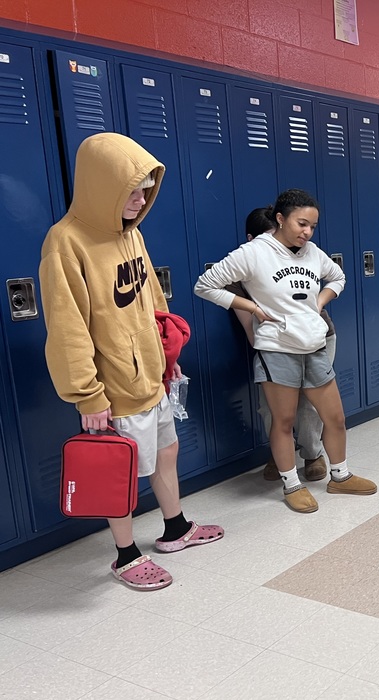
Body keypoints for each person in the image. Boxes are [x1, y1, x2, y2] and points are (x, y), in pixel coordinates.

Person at [40, 132, 224, 591]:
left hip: (151, 378)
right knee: (117, 473)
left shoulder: (131, 234)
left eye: (146, 188)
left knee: (167, 452)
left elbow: (151, 302)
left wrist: (168, 357)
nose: (141, 199)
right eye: (131, 189)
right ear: (102, 185)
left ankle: (176, 527)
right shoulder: (65, 242)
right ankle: (124, 556)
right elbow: (67, 329)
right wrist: (87, 395)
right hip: (112, 389)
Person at [195, 189, 376, 513]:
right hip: (277, 349)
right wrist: (249, 305)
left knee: (334, 417)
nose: (307, 232)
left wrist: (319, 303)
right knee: (284, 420)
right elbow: (205, 285)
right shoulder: (253, 253)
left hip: (314, 346)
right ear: (280, 219)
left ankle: (340, 475)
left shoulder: (312, 252)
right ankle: (291, 484)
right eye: (301, 224)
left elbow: (337, 275)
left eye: (312, 226)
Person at [228, 206, 335, 484]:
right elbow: (253, 334)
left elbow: (333, 278)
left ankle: (313, 455)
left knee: (310, 404)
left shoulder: (300, 255)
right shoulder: (241, 272)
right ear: (252, 240)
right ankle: (280, 455)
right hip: (276, 345)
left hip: (317, 339)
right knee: (273, 409)